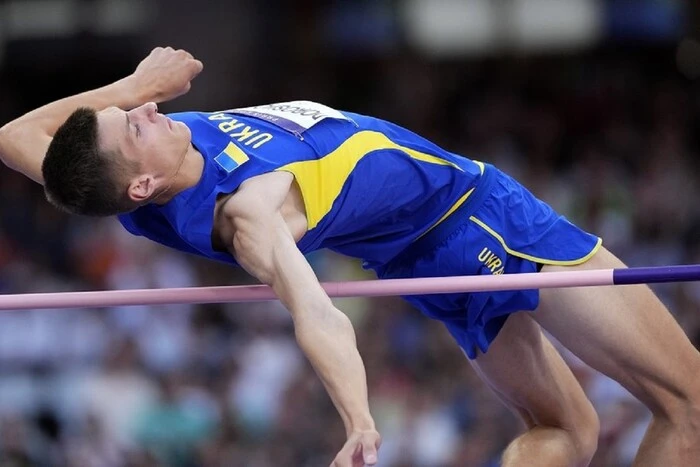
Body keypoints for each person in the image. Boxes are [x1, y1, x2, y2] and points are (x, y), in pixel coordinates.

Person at [0, 47, 698, 467]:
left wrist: (131, 88)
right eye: (136, 123)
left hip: (420, 255)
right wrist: (361, 420)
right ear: (142, 183)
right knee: (688, 402)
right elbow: (316, 313)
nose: (150, 109)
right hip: (479, 216)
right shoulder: (247, 211)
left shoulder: (121, 182)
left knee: (564, 430)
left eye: (138, 108)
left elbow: (17, 134)